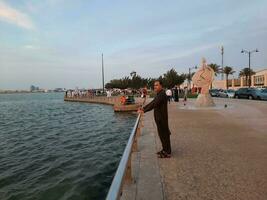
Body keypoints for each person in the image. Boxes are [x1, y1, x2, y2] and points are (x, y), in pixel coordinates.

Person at [138, 80, 172, 158]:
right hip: (159, 118)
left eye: (156, 85)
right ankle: (164, 150)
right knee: (162, 135)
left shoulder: (162, 94)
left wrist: (143, 110)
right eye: (154, 85)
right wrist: (143, 108)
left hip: (162, 119)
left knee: (164, 135)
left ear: (161, 86)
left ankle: (167, 152)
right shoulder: (159, 94)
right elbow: (153, 102)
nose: (155, 87)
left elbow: (154, 104)